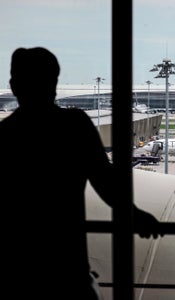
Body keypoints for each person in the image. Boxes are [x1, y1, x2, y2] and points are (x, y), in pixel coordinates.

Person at [0, 47, 162, 299]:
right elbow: (105, 181)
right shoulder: (74, 125)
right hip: (67, 267)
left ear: (14, 84)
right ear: (54, 82)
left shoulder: (5, 135)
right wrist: (135, 214)